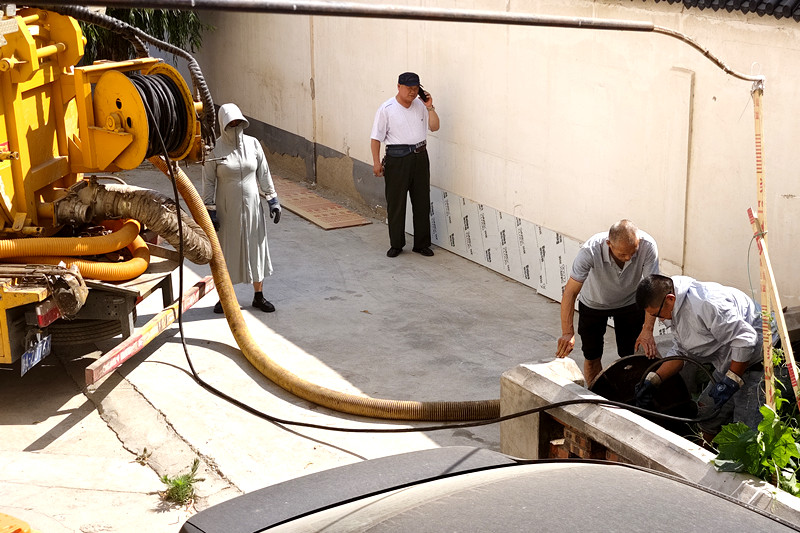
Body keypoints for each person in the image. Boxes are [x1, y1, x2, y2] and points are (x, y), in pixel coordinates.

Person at [634, 274, 765, 441]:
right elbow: (682, 352)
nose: (660, 320)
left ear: (670, 299)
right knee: (707, 410)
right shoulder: (676, 307)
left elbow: (745, 340)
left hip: (757, 362)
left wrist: (732, 380)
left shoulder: (707, 304)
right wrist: (653, 380)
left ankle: (739, 463)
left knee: (747, 432)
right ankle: (705, 450)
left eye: (658, 314)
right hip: (729, 361)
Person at [555, 220, 659, 386]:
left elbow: (652, 291)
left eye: (633, 252)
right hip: (594, 304)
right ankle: (597, 397)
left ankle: (629, 398)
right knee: (592, 357)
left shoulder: (647, 246)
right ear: (609, 244)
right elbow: (570, 292)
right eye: (622, 254)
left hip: (630, 303)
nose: (629, 258)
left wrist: (648, 330)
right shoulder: (590, 250)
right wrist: (568, 332)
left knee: (630, 356)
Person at [203, 103, 281, 314]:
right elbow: (208, 181)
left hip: (253, 207)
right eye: (231, 123)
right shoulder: (214, 150)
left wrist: (272, 199)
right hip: (227, 210)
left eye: (238, 122)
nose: (235, 126)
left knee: (256, 248)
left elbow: (263, 173)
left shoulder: (253, 144)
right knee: (227, 252)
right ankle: (225, 298)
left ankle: (259, 296)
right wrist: (210, 210)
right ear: (223, 124)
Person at [370, 72, 440, 258]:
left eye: (416, 88)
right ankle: (397, 244)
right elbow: (376, 138)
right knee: (396, 203)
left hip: (420, 157)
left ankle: (421, 244)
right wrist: (376, 162)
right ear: (399, 86)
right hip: (397, 159)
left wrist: (430, 107)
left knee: (422, 202)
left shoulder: (421, 106)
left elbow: (435, 127)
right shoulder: (387, 108)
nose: (412, 92)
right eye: (409, 88)